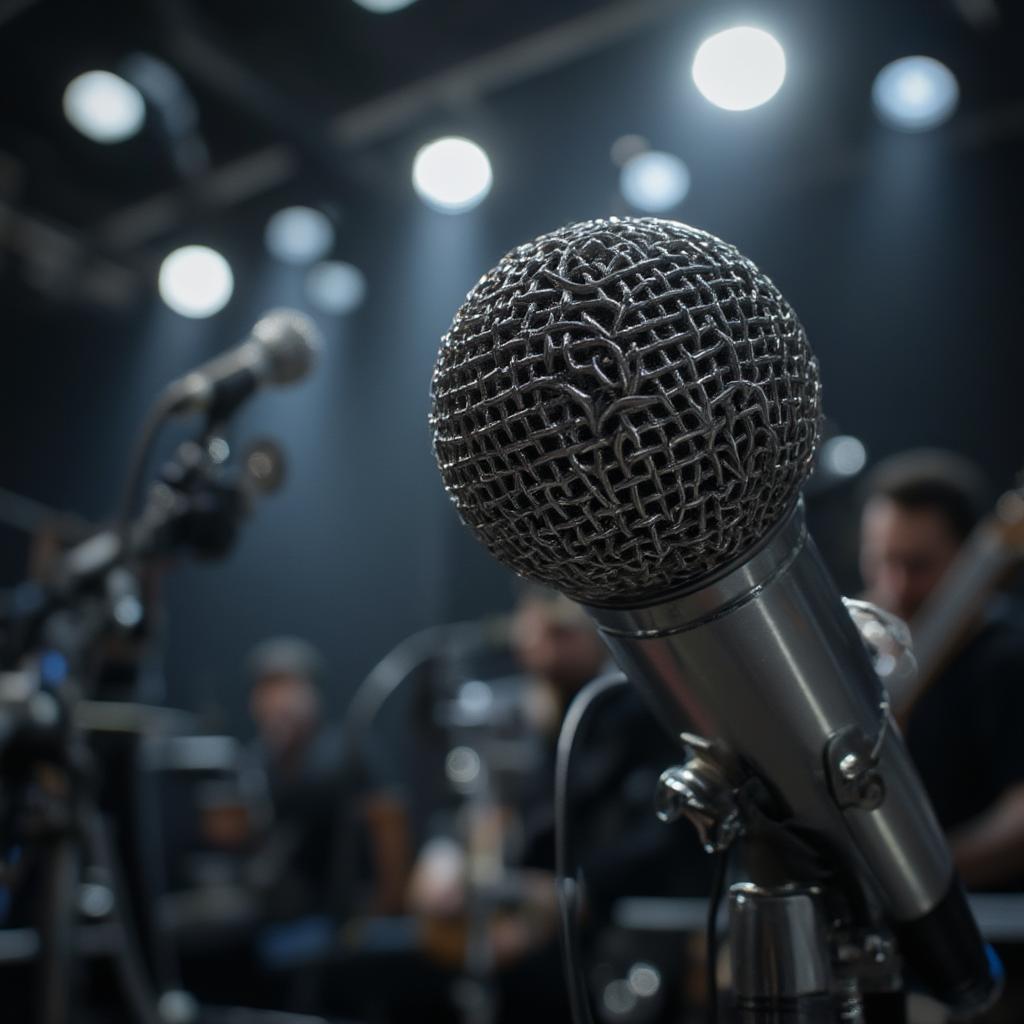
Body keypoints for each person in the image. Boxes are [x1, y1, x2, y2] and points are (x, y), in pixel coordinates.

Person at [859, 450, 1024, 891]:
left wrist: (917, 875)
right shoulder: (854, 651)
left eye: (917, 565)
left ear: (966, 558)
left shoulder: (1007, 660)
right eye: (881, 561)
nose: (895, 586)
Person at [245, 636, 411, 920]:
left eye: (288, 687)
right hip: (286, 903)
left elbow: (389, 819)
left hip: (348, 909)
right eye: (268, 689)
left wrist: (388, 905)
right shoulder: (258, 761)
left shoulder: (349, 750)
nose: (278, 700)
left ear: (312, 693)